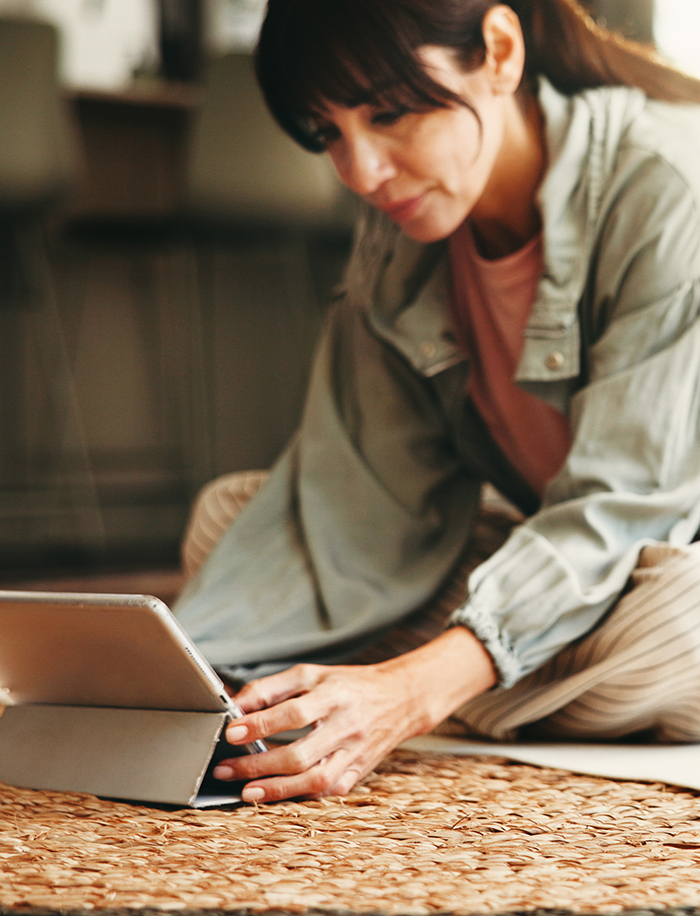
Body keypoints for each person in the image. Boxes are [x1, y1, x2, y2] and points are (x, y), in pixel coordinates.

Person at [173, 0, 700, 804]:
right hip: (568, 567)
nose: (363, 171)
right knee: (229, 518)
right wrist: (170, 669)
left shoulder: (668, 185)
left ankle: (439, 679)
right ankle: (511, 679)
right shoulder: (405, 232)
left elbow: (624, 514)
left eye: (391, 112)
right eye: (329, 134)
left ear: (498, 51)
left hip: (656, 561)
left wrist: (409, 694)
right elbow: (354, 507)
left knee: (663, 614)